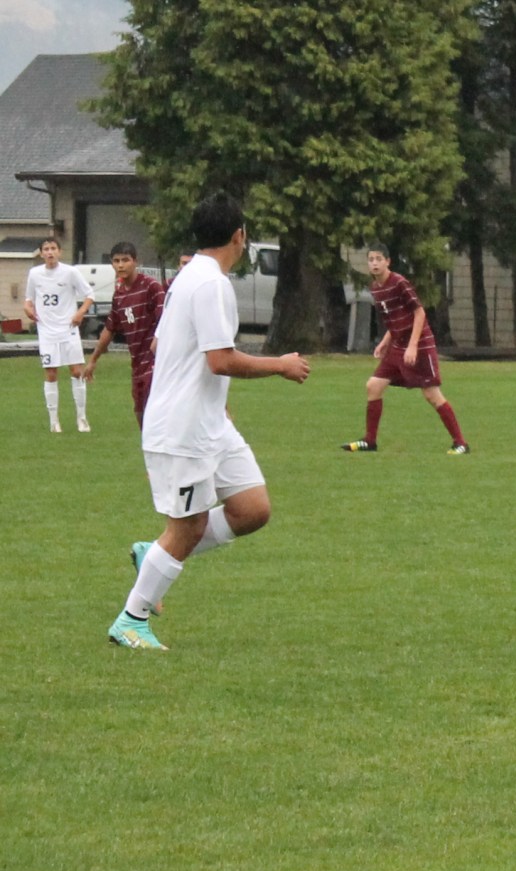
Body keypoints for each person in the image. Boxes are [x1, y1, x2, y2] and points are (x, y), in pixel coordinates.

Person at [108, 191, 310, 650]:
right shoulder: (209, 284)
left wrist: (215, 404)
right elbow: (219, 360)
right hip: (183, 428)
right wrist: (280, 365)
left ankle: (153, 555)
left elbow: (162, 346)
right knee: (188, 527)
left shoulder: (190, 277)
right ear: (240, 236)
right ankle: (131, 620)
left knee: (252, 509)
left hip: (209, 423)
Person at [340, 243, 469, 454]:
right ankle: (370, 441)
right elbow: (396, 320)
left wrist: (412, 346)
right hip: (398, 346)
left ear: (388, 262)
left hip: (420, 346)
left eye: (379, 259)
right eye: (371, 259)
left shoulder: (399, 283)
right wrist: (385, 342)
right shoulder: (376, 287)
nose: (374, 263)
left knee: (431, 394)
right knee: (373, 386)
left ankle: (461, 443)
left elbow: (419, 313)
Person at [82, 241, 165, 428]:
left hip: (156, 362)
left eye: (125, 260)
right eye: (116, 261)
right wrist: (93, 360)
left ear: (136, 261)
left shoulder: (151, 287)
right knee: (140, 415)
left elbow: (165, 320)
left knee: (154, 415)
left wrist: (159, 345)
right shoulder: (119, 295)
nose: (121, 265)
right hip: (137, 364)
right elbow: (110, 329)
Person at [24, 237, 96, 432]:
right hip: (47, 331)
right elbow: (29, 299)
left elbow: (89, 295)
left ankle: (81, 418)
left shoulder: (70, 272)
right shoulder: (35, 274)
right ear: (41, 253)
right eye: (46, 249)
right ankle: (54, 421)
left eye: (53, 248)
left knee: (76, 372)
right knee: (51, 373)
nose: (50, 252)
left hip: (68, 329)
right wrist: (28, 308)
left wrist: (80, 313)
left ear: (59, 251)